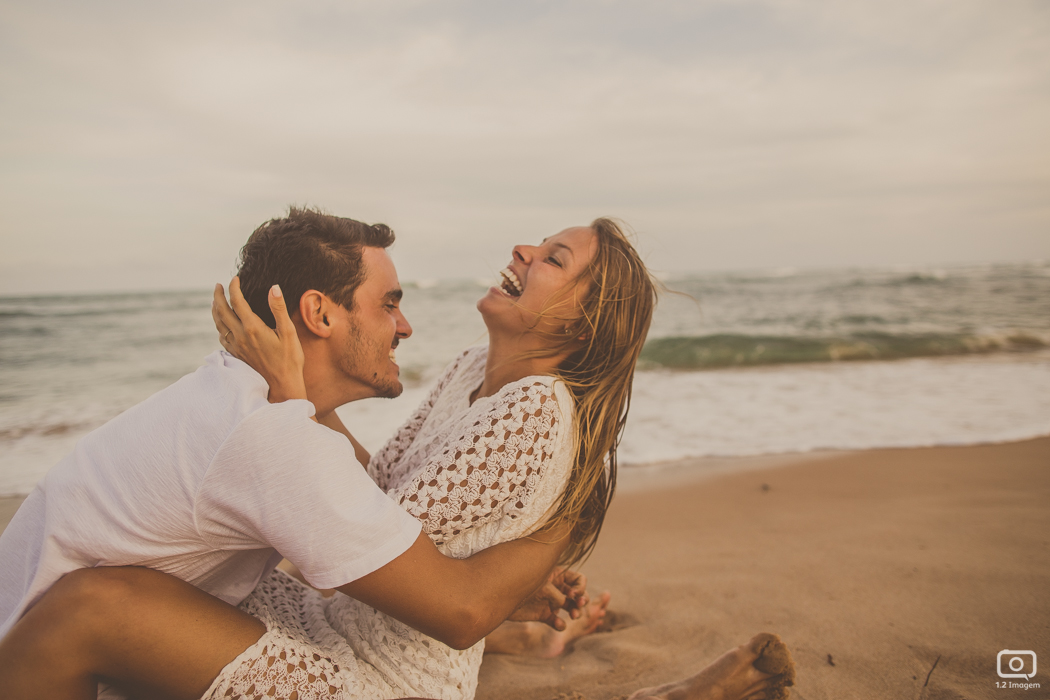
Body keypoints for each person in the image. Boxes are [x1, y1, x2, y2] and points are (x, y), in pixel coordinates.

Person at [1, 212, 797, 700]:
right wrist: (299, 400)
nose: (524, 248)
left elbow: (381, 535)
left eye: (555, 258)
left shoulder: (536, 408)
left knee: (111, 612)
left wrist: (556, 530)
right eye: (390, 303)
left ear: (580, 325)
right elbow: (373, 493)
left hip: (383, 675)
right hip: (346, 620)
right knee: (162, 601)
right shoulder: (468, 374)